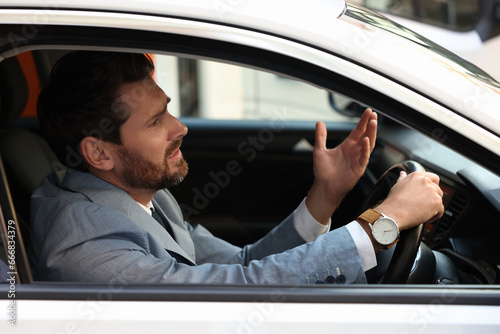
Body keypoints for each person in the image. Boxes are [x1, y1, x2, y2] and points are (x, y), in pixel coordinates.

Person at [30, 51, 444, 285]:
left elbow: (242, 265)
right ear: (99, 153)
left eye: (167, 110)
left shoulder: (136, 196)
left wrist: (326, 195)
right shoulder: (84, 246)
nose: (180, 127)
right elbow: (229, 292)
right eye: (156, 122)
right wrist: (384, 224)